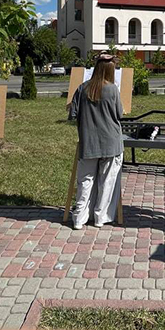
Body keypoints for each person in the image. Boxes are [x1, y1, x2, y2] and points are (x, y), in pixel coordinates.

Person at [68, 54, 123, 230]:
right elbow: (120, 114)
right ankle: (100, 217)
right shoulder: (113, 89)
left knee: (85, 180)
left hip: (88, 141)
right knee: (107, 181)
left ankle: (79, 218)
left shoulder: (82, 88)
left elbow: (72, 114)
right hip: (111, 142)